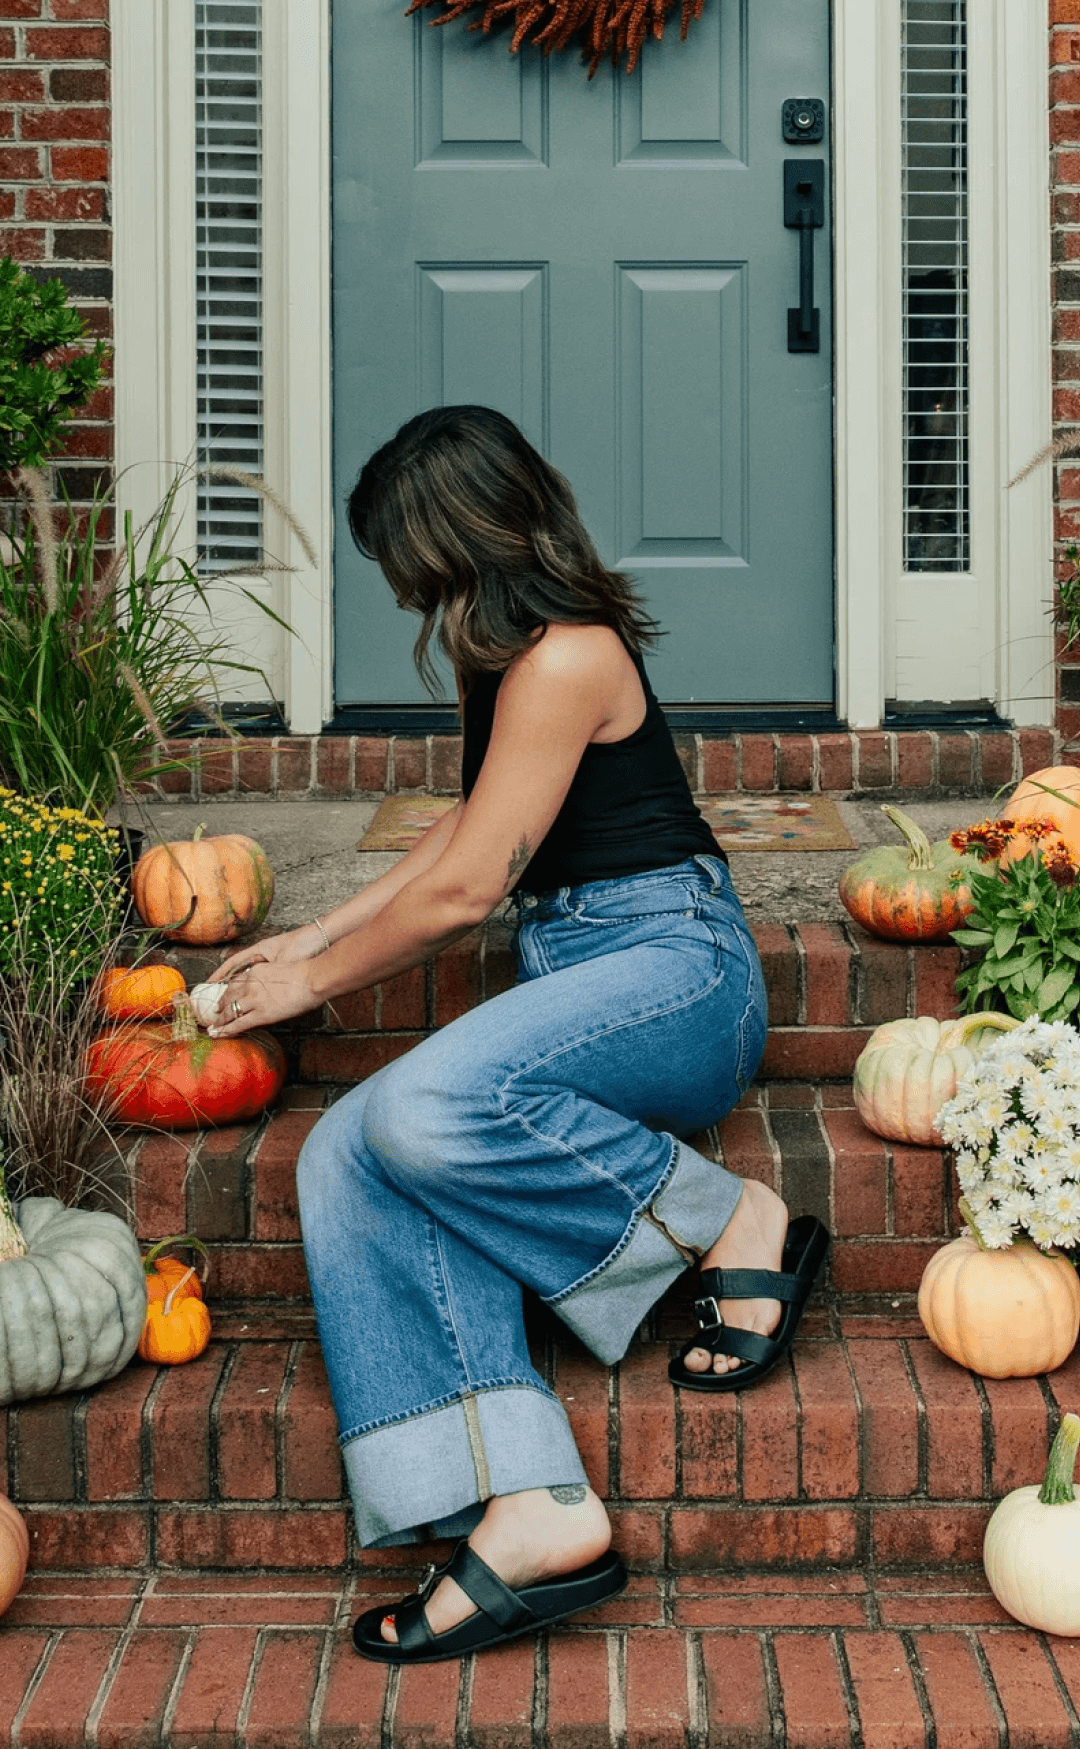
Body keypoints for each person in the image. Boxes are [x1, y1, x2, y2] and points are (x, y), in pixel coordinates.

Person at [212, 406, 829, 1665]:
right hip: (581, 973)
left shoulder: (564, 656)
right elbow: (459, 834)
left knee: (416, 1112)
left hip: (672, 970)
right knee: (344, 1151)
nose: (403, 590)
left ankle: (727, 1221)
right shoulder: (511, 652)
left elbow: (465, 892)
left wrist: (313, 985)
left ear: (447, 540)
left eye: (403, 560)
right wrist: (311, 935)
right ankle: (533, 1504)